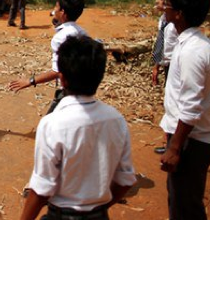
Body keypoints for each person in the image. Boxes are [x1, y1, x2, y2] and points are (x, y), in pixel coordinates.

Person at [20, 36, 137, 220]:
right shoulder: (116, 119)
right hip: (99, 216)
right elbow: (125, 180)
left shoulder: (52, 123)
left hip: (62, 215)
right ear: (100, 76)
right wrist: (98, 208)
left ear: (62, 79)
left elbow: (42, 190)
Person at [156, 0, 210, 220]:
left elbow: (191, 107)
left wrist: (174, 148)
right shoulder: (189, 43)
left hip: (191, 141)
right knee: (180, 201)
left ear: (179, 13)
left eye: (167, 5)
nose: (163, 8)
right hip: (187, 138)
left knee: (186, 209)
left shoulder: (193, 51)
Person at [8, 0, 87, 115]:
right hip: (85, 89)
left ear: (63, 12)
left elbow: (58, 71)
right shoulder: (82, 32)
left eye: (56, 7)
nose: (54, 9)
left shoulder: (61, 37)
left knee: (49, 123)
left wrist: (30, 81)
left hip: (69, 93)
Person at [151, 0, 179, 88]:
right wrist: (156, 66)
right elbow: (161, 42)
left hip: (177, 64)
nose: (157, 1)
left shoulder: (178, 22)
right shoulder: (162, 20)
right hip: (167, 64)